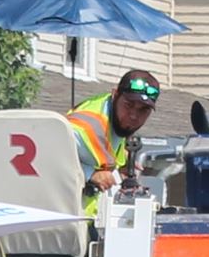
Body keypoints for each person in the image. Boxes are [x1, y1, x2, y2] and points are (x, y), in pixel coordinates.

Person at [65, 68, 161, 210]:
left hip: (85, 214)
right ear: (115, 94)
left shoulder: (116, 118)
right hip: (60, 217)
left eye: (143, 110)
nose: (133, 115)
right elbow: (43, 154)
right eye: (129, 105)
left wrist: (122, 165)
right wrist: (88, 173)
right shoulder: (85, 126)